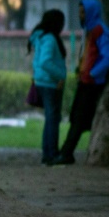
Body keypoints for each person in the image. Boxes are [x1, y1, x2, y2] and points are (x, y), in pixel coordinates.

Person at [53, 0, 109, 165]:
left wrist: (94, 73)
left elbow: (108, 57)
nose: (80, 15)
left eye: (83, 12)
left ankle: (66, 153)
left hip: (92, 83)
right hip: (85, 81)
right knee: (76, 117)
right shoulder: (90, 31)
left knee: (79, 119)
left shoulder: (100, 31)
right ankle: (66, 152)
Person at [27, 10, 67, 164]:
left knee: (50, 119)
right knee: (52, 119)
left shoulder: (41, 37)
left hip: (42, 81)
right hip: (51, 83)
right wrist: (61, 75)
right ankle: (52, 154)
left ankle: (47, 153)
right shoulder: (50, 39)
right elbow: (45, 61)